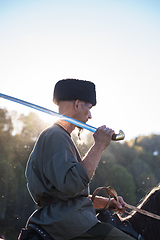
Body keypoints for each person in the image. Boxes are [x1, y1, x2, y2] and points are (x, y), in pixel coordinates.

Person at [25, 79, 135, 240]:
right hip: (65, 223)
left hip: (68, 218)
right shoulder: (55, 136)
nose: (90, 115)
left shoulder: (60, 137)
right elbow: (72, 185)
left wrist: (108, 203)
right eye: (88, 108)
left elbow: (70, 197)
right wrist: (99, 146)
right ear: (77, 104)